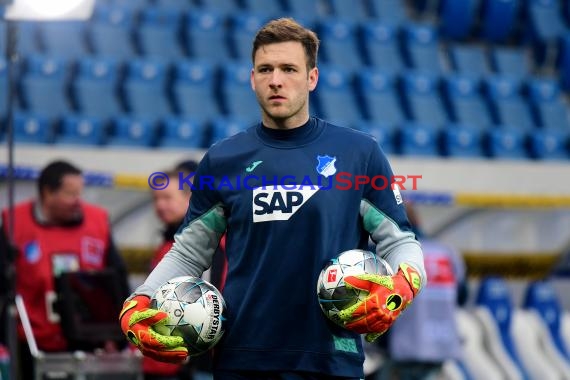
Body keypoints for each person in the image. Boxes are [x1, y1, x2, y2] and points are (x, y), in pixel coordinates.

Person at [120, 18, 426, 380]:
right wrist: (137, 301)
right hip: (242, 357)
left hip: (329, 359)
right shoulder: (223, 160)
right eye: (265, 69)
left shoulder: (359, 154)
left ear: (312, 77)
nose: (276, 80)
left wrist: (399, 290)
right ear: (252, 79)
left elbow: (401, 242)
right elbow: (189, 252)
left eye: (289, 69)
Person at [0, 160, 130, 379]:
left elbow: (117, 283)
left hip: (89, 344)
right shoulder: (14, 224)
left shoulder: (97, 222)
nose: (78, 201)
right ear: (47, 193)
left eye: (80, 193)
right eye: (71, 194)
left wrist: (117, 336)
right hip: (31, 343)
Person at [372, 201, 466, 380]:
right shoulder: (447, 252)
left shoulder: (388, 254)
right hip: (441, 344)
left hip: (405, 345)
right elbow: (461, 296)